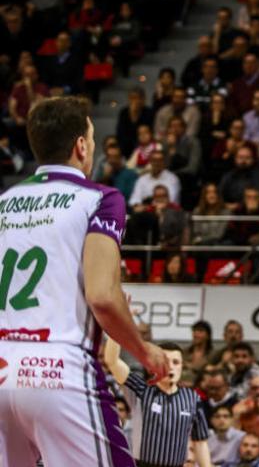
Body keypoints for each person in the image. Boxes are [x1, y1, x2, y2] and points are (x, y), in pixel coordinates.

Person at [0, 97, 169, 466]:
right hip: (59, 370)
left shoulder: (5, 200)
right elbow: (102, 296)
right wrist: (144, 351)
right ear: (81, 145)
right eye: (91, 139)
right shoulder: (100, 199)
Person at [105, 339, 212, 466]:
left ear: (182, 367)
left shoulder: (193, 398)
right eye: (165, 361)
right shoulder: (143, 391)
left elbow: (200, 442)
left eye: (176, 362)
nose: (171, 367)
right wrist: (114, 330)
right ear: (152, 366)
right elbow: (112, 362)